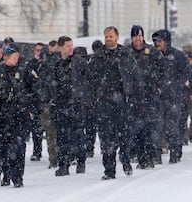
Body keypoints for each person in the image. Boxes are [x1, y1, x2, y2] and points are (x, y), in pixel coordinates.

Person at [0, 42, 40, 187]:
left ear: (17, 55)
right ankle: (6, 174)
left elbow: (38, 91)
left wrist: (32, 109)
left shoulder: (26, 71)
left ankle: (17, 176)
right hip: (1, 116)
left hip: (20, 115)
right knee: (2, 147)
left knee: (18, 147)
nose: (6, 58)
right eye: (5, 55)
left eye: (9, 55)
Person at [90, 26, 138, 180]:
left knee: (125, 134)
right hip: (105, 102)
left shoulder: (126, 54)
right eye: (106, 36)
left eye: (111, 36)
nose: (108, 39)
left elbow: (134, 76)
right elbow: (91, 79)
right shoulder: (98, 56)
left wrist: (134, 95)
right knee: (106, 137)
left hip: (123, 101)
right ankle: (109, 170)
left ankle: (125, 159)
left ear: (117, 37)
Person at [50, 36, 88, 176]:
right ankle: (63, 165)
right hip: (60, 103)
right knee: (62, 135)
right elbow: (50, 81)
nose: (70, 48)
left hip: (76, 103)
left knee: (78, 134)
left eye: (71, 45)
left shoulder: (79, 62)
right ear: (60, 48)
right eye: (67, 46)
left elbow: (87, 80)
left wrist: (83, 96)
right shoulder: (56, 63)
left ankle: (81, 161)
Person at [152, 29, 191, 164]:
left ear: (166, 41)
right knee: (157, 126)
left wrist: (175, 86)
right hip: (158, 97)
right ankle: (157, 154)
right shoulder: (154, 55)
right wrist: (156, 86)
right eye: (155, 41)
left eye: (160, 41)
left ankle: (175, 152)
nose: (157, 44)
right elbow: (151, 73)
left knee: (172, 127)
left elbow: (186, 73)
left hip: (174, 97)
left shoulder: (177, 55)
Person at [128, 25, 162, 169]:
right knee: (136, 129)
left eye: (140, 35)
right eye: (135, 36)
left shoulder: (152, 52)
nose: (138, 39)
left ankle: (150, 156)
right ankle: (140, 156)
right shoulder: (126, 53)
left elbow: (161, 69)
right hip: (134, 96)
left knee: (150, 127)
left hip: (149, 94)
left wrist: (157, 84)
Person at [26, 42, 46, 162]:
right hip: (35, 100)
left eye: (40, 50)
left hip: (45, 100)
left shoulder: (47, 63)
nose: (38, 53)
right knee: (36, 129)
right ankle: (37, 151)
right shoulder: (31, 64)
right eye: (37, 50)